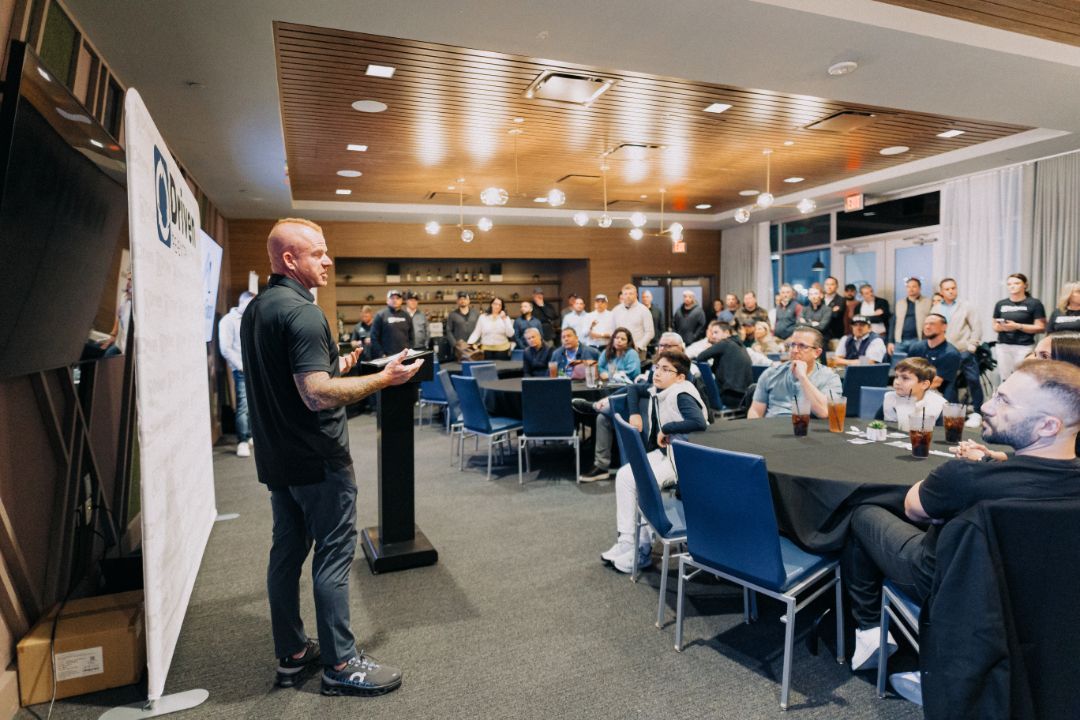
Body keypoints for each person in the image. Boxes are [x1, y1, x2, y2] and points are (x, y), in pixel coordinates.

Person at [240, 218, 422, 697]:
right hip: (319, 459)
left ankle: (293, 653)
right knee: (334, 559)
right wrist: (385, 380)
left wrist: (335, 366)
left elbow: (292, 378)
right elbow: (316, 395)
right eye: (317, 253)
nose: (327, 260)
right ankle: (341, 664)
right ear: (289, 259)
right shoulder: (304, 313)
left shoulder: (258, 308)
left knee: (286, 553)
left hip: (279, 458)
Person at [843, 359, 1080, 672]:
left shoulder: (964, 478)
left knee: (862, 512)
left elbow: (913, 506)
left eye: (1004, 401)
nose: (985, 407)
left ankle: (869, 627)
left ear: (1048, 426)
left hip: (945, 580)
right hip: (1045, 603)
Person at [599, 350, 708, 573]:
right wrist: (634, 413)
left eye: (665, 369)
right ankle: (628, 540)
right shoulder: (659, 389)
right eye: (656, 367)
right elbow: (632, 388)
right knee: (624, 475)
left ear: (680, 377)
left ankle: (643, 549)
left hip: (684, 460)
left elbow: (698, 422)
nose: (657, 373)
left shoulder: (681, 393)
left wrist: (667, 428)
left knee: (642, 482)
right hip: (667, 453)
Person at [577, 333, 690, 482]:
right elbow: (638, 388)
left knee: (609, 410)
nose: (663, 348)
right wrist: (632, 411)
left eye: (668, 346)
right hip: (643, 410)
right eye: (661, 345)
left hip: (660, 420)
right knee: (603, 418)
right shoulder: (657, 366)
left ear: (681, 348)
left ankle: (597, 406)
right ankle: (602, 466)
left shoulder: (685, 371)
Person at [748, 327, 842, 418]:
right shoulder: (771, 374)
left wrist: (803, 378)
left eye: (802, 346)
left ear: (817, 353)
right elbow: (755, 411)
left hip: (806, 429)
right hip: (772, 428)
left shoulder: (830, 378)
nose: (795, 350)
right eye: (792, 345)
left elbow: (824, 412)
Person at [932, 278, 985, 413]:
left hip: (963, 350)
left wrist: (971, 347)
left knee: (973, 380)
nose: (951, 291)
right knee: (950, 383)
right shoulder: (936, 308)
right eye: (947, 289)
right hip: (946, 353)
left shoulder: (966, 306)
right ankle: (955, 414)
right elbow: (933, 328)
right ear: (941, 291)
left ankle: (978, 412)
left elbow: (977, 327)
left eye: (953, 288)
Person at [218, 290, 254, 457]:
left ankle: (252, 435)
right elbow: (225, 348)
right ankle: (242, 440)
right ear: (244, 303)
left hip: (255, 370)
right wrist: (242, 367)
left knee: (255, 406)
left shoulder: (252, 319)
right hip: (241, 370)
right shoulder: (228, 321)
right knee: (243, 406)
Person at [992, 272, 1046, 381]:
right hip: (1003, 346)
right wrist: (1003, 327)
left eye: (1016, 283)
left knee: (1022, 378)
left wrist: (1017, 326)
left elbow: (1041, 327)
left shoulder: (1034, 303)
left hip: (1024, 346)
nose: (1012, 286)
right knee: (1005, 378)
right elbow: (995, 326)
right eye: (1009, 284)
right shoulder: (1001, 304)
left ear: (1025, 285)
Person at [696, 321, 754, 409]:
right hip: (744, 398)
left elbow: (700, 357)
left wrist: (709, 349)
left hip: (729, 396)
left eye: (716, 332)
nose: (713, 336)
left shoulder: (725, 343)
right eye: (712, 333)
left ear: (726, 333)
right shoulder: (741, 346)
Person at [906, 313, 962, 400]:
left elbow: (936, 382)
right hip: (915, 390)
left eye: (932, 324)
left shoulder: (951, 353)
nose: (927, 327)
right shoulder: (916, 347)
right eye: (925, 324)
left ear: (944, 327)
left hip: (939, 395)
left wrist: (911, 391)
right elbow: (907, 372)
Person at [881, 357, 947, 429]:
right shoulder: (890, 397)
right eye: (896, 376)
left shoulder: (939, 405)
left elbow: (941, 434)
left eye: (905, 378)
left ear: (924, 384)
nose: (897, 382)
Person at [888, 278, 932, 356]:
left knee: (917, 365)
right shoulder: (900, 303)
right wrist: (890, 341)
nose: (911, 289)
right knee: (898, 366)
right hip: (900, 341)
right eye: (908, 287)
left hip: (919, 340)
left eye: (914, 286)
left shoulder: (928, 302)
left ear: (920, 288)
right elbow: (893, 322)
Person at [611, 283, 655, 355]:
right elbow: (612, 331)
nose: (628, 296)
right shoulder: (615, 310)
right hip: (619, 350)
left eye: (631, 293)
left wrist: (639, 346)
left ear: (636, 295)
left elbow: (650, 332)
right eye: (625, 294)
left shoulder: (644, 310)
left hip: (638, 350)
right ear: (622, 295)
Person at [371, 289, 413, 357]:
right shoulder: (380, 315)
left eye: (397, 298)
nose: (395, 300)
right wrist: (381, 354)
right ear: (387, 300)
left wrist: (410, 351)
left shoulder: (407, 315)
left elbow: (412, 336)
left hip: (405, 356)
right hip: (387, 357)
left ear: (401, 300)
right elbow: (373, 337)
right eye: (392, 298)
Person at [823, 277, 846, 346]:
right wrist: (831, 310)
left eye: (832, 284)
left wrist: (822, 313)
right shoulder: (820, 299)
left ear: (837, 286)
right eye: (827, 284)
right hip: (822, 333)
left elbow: (835, 315)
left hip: (835, 334)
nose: (829, 287)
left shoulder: (841, 300)